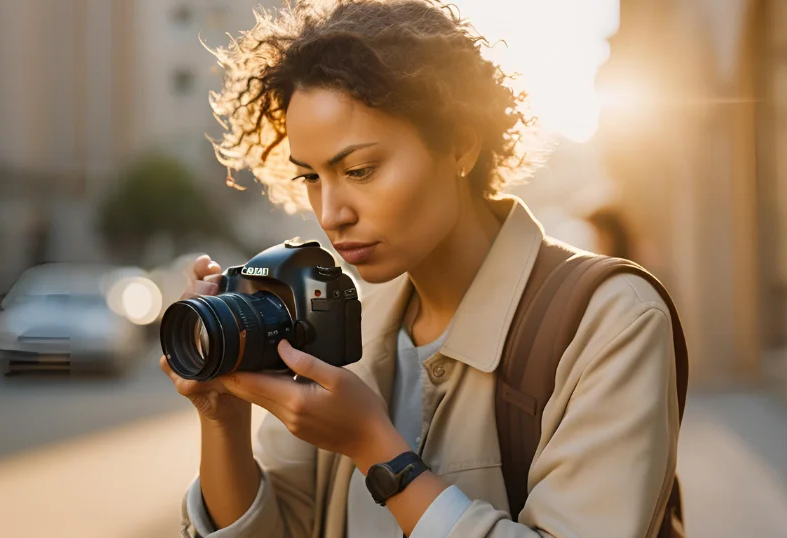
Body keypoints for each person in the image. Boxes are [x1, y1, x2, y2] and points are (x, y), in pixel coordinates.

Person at [161, 2, 681, 537]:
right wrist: (221, 419)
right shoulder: (340, 323)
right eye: (312, 178)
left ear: (459, 144)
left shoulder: (611, 321)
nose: (332, 213)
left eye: (359, 170)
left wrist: (374, 447)